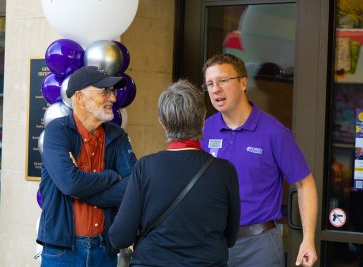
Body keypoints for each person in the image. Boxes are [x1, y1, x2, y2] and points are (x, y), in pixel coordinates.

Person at [201, 54, 318, 267]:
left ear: (243, 83)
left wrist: (308, 239)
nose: (215, 88)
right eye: (210, 83)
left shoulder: (274, 132)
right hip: (212, 243)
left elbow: (304, 183)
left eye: (223, 81)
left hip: (259, 246)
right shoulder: (204, 130)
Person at [109, 80, 240, 266]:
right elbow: (230, 239)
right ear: (203, 120)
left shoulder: (145, 168)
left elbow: (119, 237)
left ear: (162, 122)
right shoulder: (224, 171)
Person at [36, 66, 137, 267]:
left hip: (103, 249)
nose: (113, 99)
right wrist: (111, 176)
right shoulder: (58, 131)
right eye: (104, 92)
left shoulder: (117, 136)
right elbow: (71, 184)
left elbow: (134, 187)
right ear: (80, 97)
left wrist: (81, 187)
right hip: (62, 252)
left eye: (113, 92)